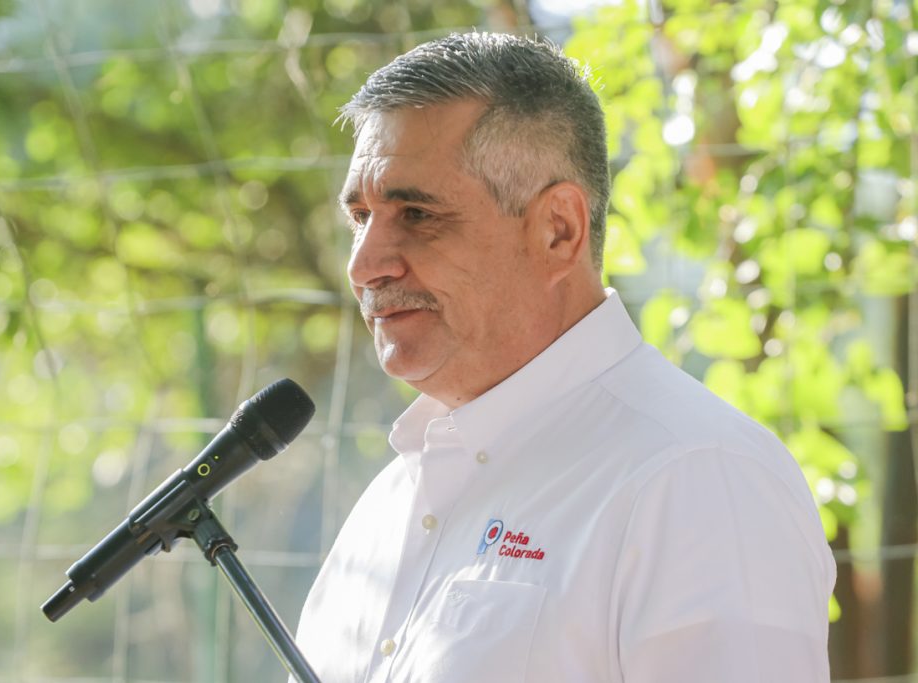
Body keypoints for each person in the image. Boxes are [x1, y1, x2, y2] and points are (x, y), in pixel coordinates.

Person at [293, 31, 835, 683]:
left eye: (415, 213)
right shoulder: (392, 499)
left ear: (559, 230)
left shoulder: (696, 477)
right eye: (360, 216)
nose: (364, 265)